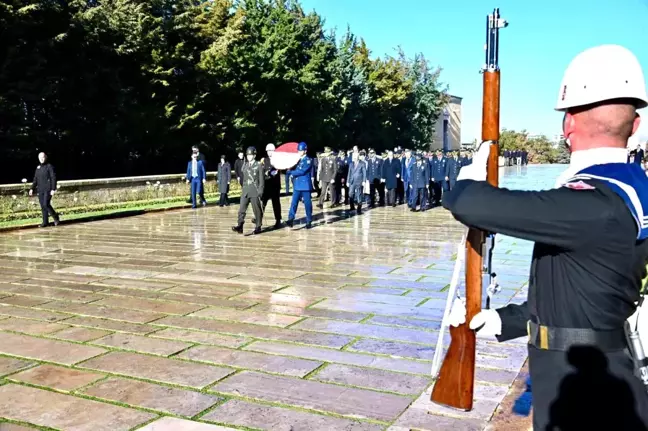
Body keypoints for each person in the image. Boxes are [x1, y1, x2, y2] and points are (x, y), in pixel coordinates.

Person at [446, 44, 648, 430]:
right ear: (635, 124)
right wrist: (504, 320)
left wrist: (467, 180)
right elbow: (582, 293)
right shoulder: (635, 187)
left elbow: (468, 203)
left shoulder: (594, 201)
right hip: (607, 370)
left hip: (584, 397)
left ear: (568, 124)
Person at [232, 147, 264, 235]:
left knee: (256, 209)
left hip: (254, 190)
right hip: (245, 190)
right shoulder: (245, 165)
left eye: (251, 155)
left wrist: (260, 191)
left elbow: (261, 179)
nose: (249, 157)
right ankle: (240, 225)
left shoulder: (258, 165)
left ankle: (258, 226)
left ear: (254, 155)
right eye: (248, 155)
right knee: (241, 209)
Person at [286, 142, 314, 229]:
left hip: (305, 185)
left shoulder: (308, 160)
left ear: (305, 151)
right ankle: (290, 219)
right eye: (298, 150)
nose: (299, 152)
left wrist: (291, 172)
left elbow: (302, 171)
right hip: (297, 185)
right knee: (294, 203)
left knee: (307, 204)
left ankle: (309, 220)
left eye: (301, 150)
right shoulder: (297, 160)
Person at [29, 152, 59, 228]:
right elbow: (35, 179)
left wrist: (53, 188)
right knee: (43, 206)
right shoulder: (38, 167)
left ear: (46, 157)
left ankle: (55, 217)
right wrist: (32, 188)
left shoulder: (49, 166)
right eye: (40, 157)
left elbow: (53, 178)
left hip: (48, 189)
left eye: (43, 157)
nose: (41, 159)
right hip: (40, 190)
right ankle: (45, 222)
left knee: (46, 204)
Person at [259, 143, 282, 228]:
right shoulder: (264, 160)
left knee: (276, 203)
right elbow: (261, 171)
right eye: (268, 151)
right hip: (267, 184)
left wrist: (269, 173)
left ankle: (278, 220)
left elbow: (276, 172)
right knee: (262, 203)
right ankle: (259, 219)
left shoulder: (278, 160)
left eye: (271, 150)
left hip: (275, 185)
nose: (269, 152)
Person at [347, 150, 367, 215]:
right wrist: (347, 181)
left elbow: (364, 173)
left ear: (358, 157)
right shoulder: (351, 164)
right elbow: (349, 173)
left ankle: (359, 209)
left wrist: (364, 181)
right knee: (350, 194)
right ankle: (352, 207)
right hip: (352, 181)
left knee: (359, 195)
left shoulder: (362, 163)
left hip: (359, 181)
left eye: (356, 156)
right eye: (353, 157)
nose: (354, 158)